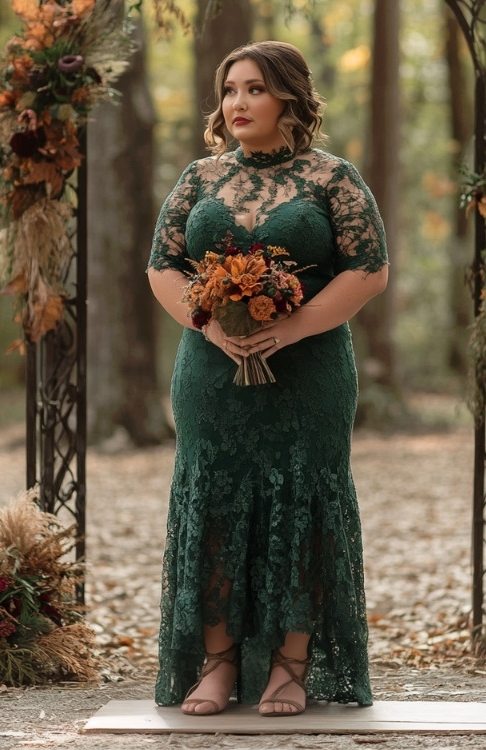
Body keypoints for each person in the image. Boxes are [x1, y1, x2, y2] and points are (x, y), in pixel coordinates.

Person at [147, 40, 388, 718]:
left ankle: (291, 663)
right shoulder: (199, 178)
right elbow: (161, 266)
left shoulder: (333, 177)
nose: (237, 104)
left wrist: (293, 327)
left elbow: (370, 271)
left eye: (254, 89)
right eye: (230, 91)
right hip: (210, 374)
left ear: (288, 97)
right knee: (215, 505)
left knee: (304, 505)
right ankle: (218, 665)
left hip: (309, 372)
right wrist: (208, 327)